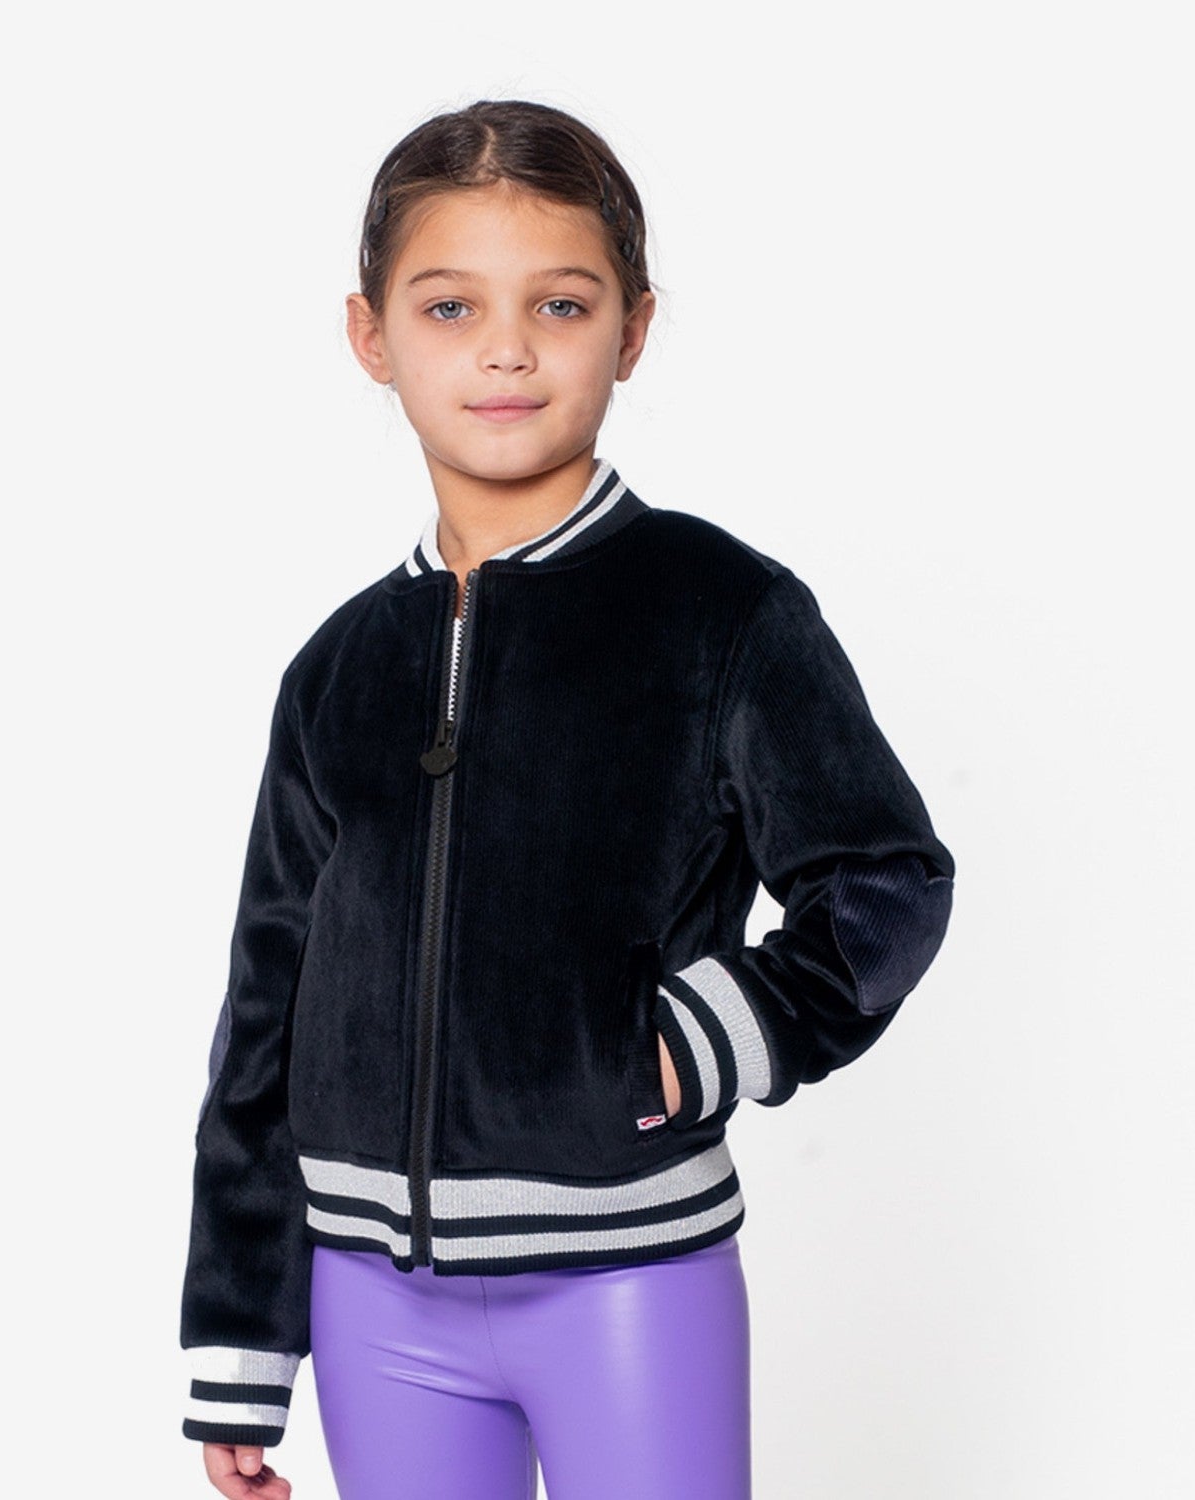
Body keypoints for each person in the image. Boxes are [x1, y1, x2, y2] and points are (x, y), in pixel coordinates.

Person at [178, 99, 955, 1500]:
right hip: (371, 1299)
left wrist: (697, 1042)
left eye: (560, 304)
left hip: (628, 1279)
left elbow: (886, 880)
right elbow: (264, 1008)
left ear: (633, 328)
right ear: (370, 336)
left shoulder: (724, 614)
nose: (506, 349)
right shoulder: (336, 669)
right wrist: (242, 1335)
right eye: (450, 306)